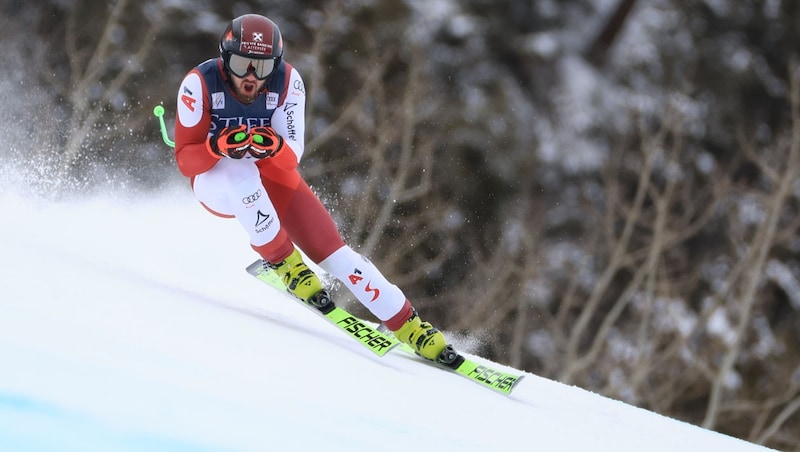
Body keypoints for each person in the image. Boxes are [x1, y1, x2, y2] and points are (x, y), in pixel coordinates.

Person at [174, 13, 451, 362]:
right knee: (239, 169)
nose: (250, 77)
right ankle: (285, 262)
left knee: (336, 253)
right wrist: (219, 147)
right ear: (224, 58)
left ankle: (410, 326)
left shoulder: (288, 82)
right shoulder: (199, 84)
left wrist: (272, 146)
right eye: (242, 65)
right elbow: (186, 160)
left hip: (270, 176)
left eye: (261, 68)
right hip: (215, 181)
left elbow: (291, 158)